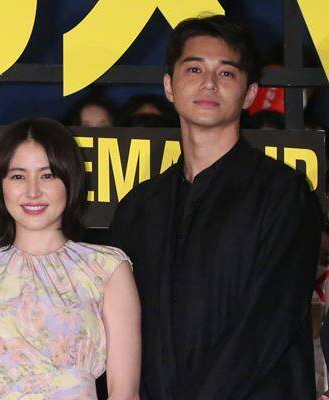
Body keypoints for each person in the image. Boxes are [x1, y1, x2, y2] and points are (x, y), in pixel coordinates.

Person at [109, 15, 322, 400]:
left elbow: (267, 324)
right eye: (194, 69)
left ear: (250, 94)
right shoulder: (138, 209)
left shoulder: (283, 194)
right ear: (169, 86)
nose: (209, 83)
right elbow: (120, 330)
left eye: (226, 73)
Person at [0, 117, 141, 399]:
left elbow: (125, 394)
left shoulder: (107, 268)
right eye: (18, 176)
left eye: (48, 175)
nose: (33, 191)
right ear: (0, 185)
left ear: (70, 181)